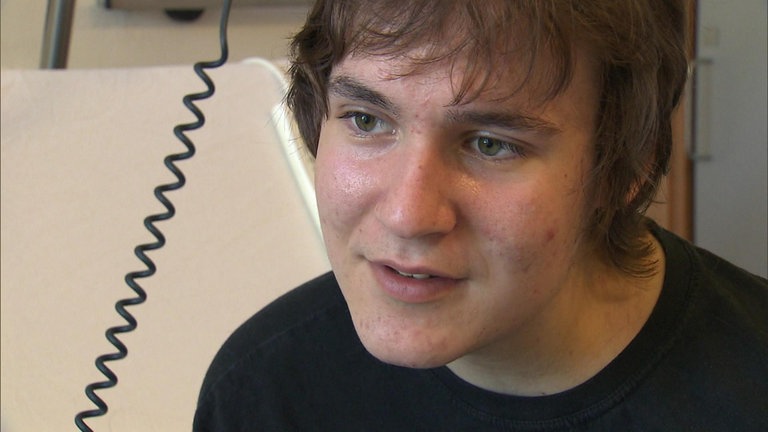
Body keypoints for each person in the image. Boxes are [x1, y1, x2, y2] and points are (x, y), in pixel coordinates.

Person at [193, 0, 768, 430]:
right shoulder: (263, 391)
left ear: (626, 170)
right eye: (366, 120)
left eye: (491, 145)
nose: (407, 216)